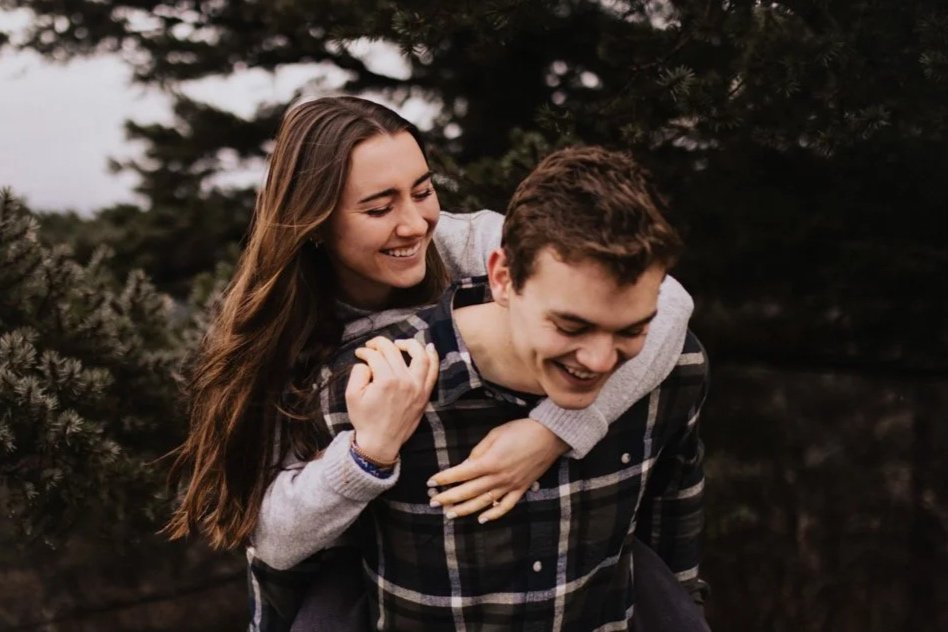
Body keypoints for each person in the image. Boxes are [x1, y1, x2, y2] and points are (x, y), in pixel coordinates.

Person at [162, 96, 694, 630]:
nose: (415, 223)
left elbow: (664, 298)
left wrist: (553, 431)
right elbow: (274, 536)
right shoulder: (280, 337)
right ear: (314, 222)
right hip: (349, 570)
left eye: (423, 191)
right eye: (379, 208)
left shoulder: (466, 241)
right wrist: (366, 456)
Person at [301, 145, 709, 630]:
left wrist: (557, 429)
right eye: (571, 327)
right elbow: (290, 562)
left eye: (630, 330)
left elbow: (673, 553)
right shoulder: (370, 386)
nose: (601, 360)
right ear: (502, 278)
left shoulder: (670, 368)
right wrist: (367, 458)